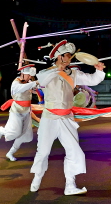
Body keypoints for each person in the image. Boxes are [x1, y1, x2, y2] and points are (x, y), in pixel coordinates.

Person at [30, 40, 106, 195]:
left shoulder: (74, 73)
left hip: (66, 119)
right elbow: (42, 81)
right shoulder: (45, 73)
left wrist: (99, 70)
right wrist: (58, 69)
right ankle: (37, 177)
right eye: (67, 55)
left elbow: (94, 80)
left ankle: (70, 185)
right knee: (43, 152)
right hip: (49, 118)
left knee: (74, 151)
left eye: (70, 55)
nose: (70, 58)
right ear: (59, 57)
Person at [0, 64, 38, 161]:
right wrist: (33, 84)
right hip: (16, 111)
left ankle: (10, 153)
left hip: (26, 111)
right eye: (28, 75)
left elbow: (34, 90)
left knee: (25, 135)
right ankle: (2, 130)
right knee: (16, 132)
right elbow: (21, 88)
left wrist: (37, 87)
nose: (29, 77)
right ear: (22, 74)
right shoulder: (16, 83)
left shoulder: (29, 82)